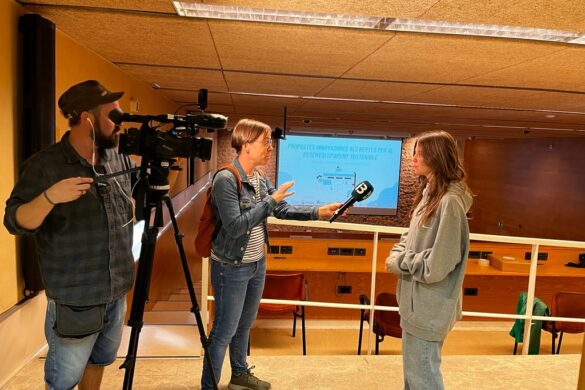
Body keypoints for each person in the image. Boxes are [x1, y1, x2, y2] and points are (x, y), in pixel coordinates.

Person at [4, 80, 135, 390]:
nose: (120, 124)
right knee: (64, 379)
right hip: (76, 297)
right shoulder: (44, 166)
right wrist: (50, 197)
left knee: (100, 361)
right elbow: (14, 221)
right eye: (112, 116)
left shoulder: (118, 157)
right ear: (86, 118)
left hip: (117, 289)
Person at [201, 119, 342, 390]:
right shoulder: (226, 179)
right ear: (245, 145)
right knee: (222, 331)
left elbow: (281, 210)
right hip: (231, 266)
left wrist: (319, 213)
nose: (270, 148)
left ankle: (239, 375)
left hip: (256, 263)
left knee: (244, 325)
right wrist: (270, 200)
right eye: (265, 142)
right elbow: (235, 226)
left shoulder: (259, 177)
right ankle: (208, 385)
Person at [385, 130, 473, 390]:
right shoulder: (429, 194)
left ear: (436, 158)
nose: (413, 159)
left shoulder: (450, 203)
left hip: (429, 309)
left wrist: (400, 263)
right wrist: (398, 254)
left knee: (424, 377)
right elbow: (410, 236)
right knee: (414, 377)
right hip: (416, 306)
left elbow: (438, 265)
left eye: (419, 154)